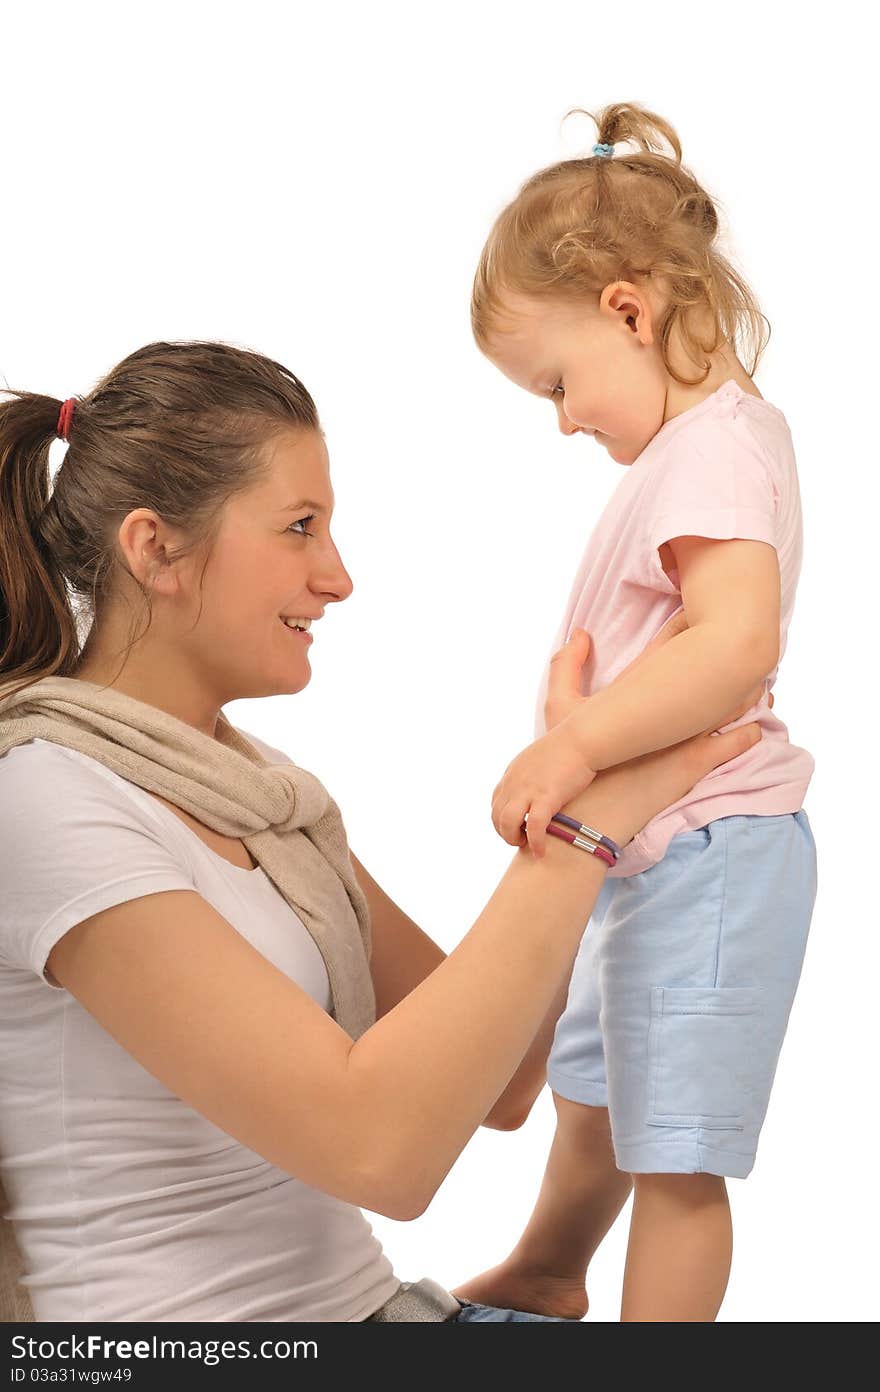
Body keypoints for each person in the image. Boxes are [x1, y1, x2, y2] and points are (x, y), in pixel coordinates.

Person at [0, 341, 761, 1323]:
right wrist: (582, 831)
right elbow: (381, 1152)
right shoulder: (46, 799)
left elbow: (501, 1082)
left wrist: (606, 767)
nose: (338, 576)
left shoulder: (260, 795)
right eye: (299, 527)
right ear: (155, 551)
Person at [453, 101, 818, 1321]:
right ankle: (552, 1269)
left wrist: (574, 741)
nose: (562, 419)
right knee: (600, 1094)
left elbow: (733, 643)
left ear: (627, 308)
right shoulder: (693, 450)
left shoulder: (713, 448)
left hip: (714, 848)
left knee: (676, 1151)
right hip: (657, 848)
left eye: (556, 384)